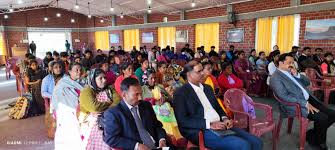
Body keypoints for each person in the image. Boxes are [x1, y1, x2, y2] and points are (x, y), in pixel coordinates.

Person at [173, 60, 263, 150]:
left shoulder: (207, 88)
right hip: (201, 130)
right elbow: (183, 121)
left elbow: (218, 107)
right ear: (189, 74)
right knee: (243, 145)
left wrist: (225, 118)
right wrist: (209, 124)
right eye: (199, 71)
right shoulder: (181, 93)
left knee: (256, 142)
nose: (202, 73)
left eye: (202, 70)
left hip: (221, 125)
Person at [270, 53, 335, 150]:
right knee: (323, 118)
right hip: (295, 104)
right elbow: (283, 96)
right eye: (289, 62)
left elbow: (307, 82)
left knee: (333, 114)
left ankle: (312, 135)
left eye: (293, 62)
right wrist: (304, 103)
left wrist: (297, 74)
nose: (292, 64)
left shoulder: (291, 71)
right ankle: (319, 142)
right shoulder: (275, 77)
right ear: (281, 63)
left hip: (309, 99)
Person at [103, 77, 168, 149]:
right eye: (136, 94)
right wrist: (136, 146)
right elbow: (110, 138)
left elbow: (157, 125)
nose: (140, 98)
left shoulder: (146, 105)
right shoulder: (114, 113)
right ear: (124, 95)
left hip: (157, 145)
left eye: (141, 94)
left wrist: (162, 139)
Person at [78, 69, 121, 149]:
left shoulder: (109, 89)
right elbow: (95, 107)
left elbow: (118, 101)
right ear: (93, 79)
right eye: (100, 78)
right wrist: (109, 102)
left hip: (108, 120)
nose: (104, 80)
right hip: (91, 123)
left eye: (104, 78)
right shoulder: (86, 91)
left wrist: (105, 111)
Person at [52, 62, 85, 150]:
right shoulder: (62, 84)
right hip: (67, 114)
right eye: (76, 70)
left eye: (80, 70)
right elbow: (56, 100)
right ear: (69, 71)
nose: (79, 72)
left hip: (81, 111)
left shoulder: (82, 82)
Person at [41, 61, 64, 138]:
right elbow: (43, 93)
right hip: (53, 101)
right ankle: (55, 133)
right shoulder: (47, 79)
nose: (58, 69)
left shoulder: (66, 77)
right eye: (56, 67)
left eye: (60, 67)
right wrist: (54, 96)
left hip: (65, 99)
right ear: (52, 69)